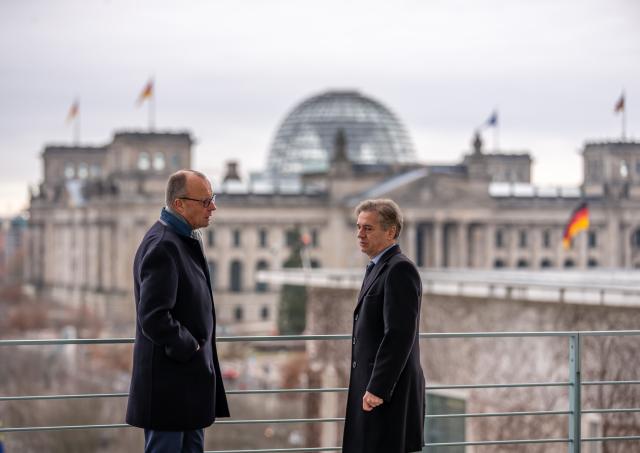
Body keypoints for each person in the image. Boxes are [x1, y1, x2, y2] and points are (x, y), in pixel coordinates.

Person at [126, 169, 229, 453]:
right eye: (205, 201)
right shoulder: (163, 246)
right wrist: (191, 347)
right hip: (168, 389)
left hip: (187, 386)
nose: (213, 207)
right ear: (179, 204)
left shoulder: (180, 240)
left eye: (212, 199)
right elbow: (154, 317)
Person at [342, 199, 425, 453]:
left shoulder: (400, 270)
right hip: (372, 385)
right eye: (358, 227)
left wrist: (377, 388)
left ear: (391, 232)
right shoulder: (377, 267)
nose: (360, 234)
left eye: (368, 228)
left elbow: (399, 335)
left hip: (388, 391)